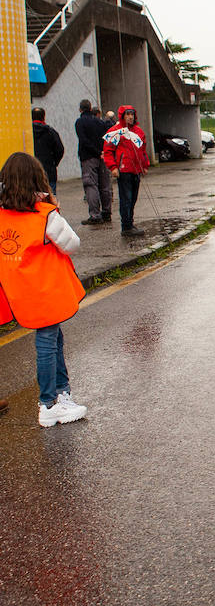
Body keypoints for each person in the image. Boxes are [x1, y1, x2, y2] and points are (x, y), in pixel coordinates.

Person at [0, 152, 88, 428]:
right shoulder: (45, 215)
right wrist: (50, 205)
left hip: (17, 289)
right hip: (44, 289)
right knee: (48, 342)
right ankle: (49, 403)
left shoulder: (2, 215)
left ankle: (62, 393)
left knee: (53, 337)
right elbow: (72, 244)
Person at [102, 105, 149, 238]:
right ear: (122, 116)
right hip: (123, 170)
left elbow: (143, 150)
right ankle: (126, 226)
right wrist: (113, 167)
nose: (130, 117)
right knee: (126, 198)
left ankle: (130, 223)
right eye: (127, 114)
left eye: (132, 114)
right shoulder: (116, 131)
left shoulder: (138, 132)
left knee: (133, 198)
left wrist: (144, 165)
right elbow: (108, 151)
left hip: (136, 170)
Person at [74, 97, 113, 225]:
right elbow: (106, 135)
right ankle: (107, 212)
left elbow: (83, 140)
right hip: (102, 157)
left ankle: (95, 215)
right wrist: (102, 152)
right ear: (91, 108)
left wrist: (95, 151)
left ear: (80, 109)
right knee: (104, 185)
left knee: (91, 185)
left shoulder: (80, 122)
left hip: (88, 157)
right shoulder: (99, 122)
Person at [31, 108, 64, 194]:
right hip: (49, 171)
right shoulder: (50, 132)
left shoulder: (26, 133)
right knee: (50, 200)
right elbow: (60, 150)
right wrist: (54, 162)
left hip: (30, 172)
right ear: (43, 117)